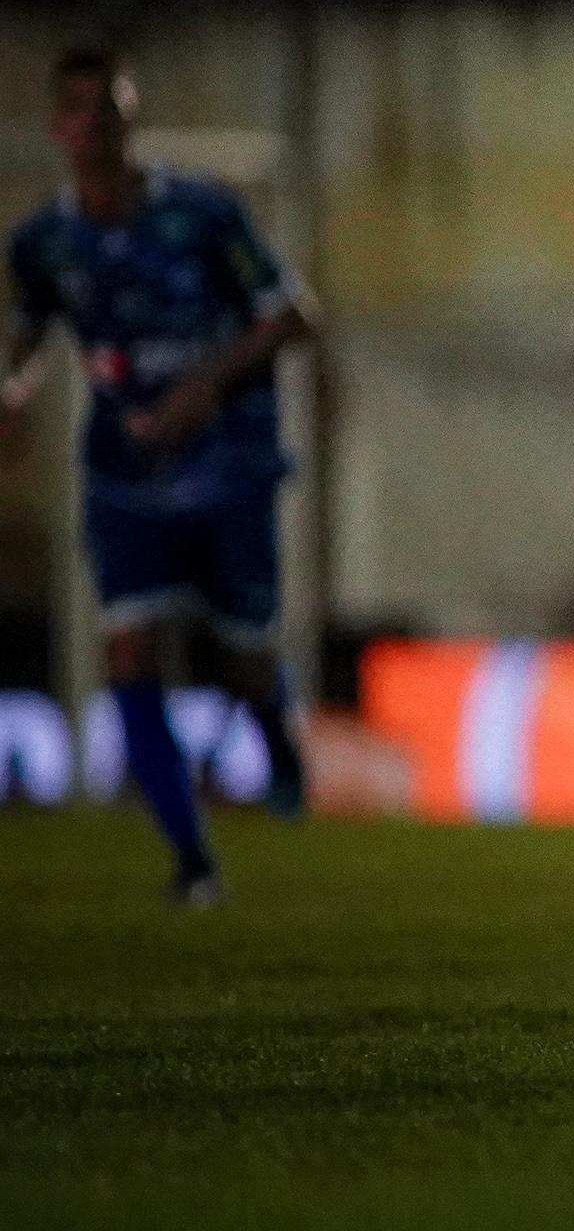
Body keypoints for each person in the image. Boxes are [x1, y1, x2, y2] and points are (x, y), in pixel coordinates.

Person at [3, 46, 315, 902]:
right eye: (78, 108)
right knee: (130, 652)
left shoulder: (204, 213)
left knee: (246, 655)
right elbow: (27, 338)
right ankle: (192, 857)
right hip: (126, 474)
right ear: (57, 126)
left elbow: (292, 315)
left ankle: (280, 744)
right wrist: (15, 389)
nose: (95, 124)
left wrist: (203, 386)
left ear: (131, 117)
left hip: (226, 467)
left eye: (109, 106)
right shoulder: (42, 243)